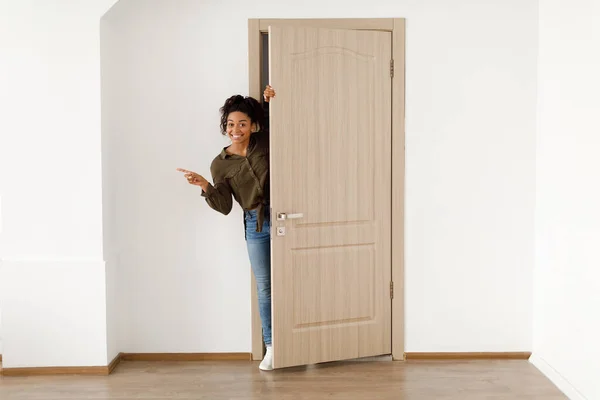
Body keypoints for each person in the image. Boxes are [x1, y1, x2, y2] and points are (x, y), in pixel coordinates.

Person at [177, 85, 276, 371]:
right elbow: (224, 207)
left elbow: (281, 123)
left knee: (293, 278)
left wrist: (268, 101)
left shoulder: (265, 141)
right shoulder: (219, 164)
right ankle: (271, 345)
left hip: (283, 217)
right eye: (231, 124)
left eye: (242, 123)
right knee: (265, 286)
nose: (236, 129)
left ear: (252, 125)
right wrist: (205, 185)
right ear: (225, 127)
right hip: (254, 225)